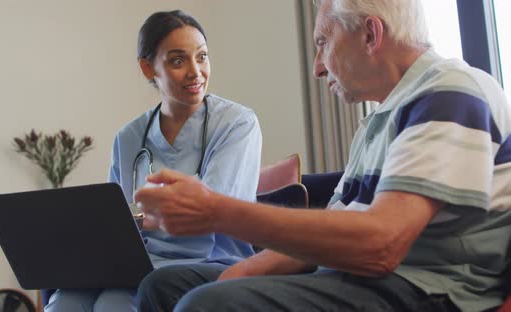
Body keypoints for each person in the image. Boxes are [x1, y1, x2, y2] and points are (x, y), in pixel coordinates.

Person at [134, 0, 511, 311]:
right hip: (357, 276)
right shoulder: (377, 121)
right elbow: (334, 230)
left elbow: (381, 245)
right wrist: (243, 270)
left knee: (205, 306)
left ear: (369, 34)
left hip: (423, 288)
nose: (317, 66)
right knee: (164, 286)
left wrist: (217, 212)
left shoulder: (450, 92)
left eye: (323, 42)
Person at [44, 10, 262, 312]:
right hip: (140, 264)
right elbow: (114, 223)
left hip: (209, 260)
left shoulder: (236, 124)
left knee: (113, 305)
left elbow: (213, 207)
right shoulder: (129, 137)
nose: (195, 72)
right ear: (148, 69)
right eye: (177, 60)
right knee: (63, 301)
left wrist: (137, 213)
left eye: (201, 57)